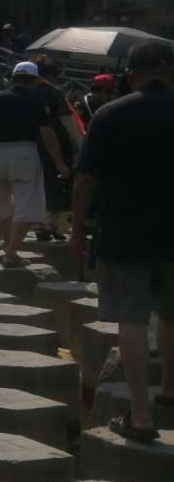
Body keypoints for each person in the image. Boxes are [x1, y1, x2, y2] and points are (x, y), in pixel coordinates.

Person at [70, 40, 174, 441]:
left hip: (123, 232)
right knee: (171, 314)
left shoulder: (110, 114)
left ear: (131, 76)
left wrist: (77, 229)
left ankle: (141, 417)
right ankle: (169, 392)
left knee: (131, 319)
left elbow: (85, 180)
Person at [0, 61, 71, 266]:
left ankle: (8, 246)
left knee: (0, 205)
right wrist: (59, 163)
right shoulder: (35, 101)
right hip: (24, 153)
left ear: (13, 78)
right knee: (28, 206)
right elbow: (48, 135)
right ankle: (10, 253)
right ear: (35, 81)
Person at [30, 55, 82, 240]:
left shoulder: (26, 91)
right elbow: (66, 119)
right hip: (57, 141)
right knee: (58, 182)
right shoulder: (53, 92)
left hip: (30, 143)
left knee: (36, 183)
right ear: (52, 75)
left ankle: (39, 224)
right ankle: (51, 223)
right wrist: (80, 142)